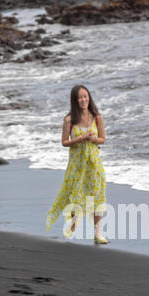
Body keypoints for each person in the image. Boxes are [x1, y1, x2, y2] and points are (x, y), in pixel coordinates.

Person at [46, 85, 109, 244]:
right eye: (80, 97)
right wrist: (80, 139)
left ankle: (98, 233)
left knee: (97, 197)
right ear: (75, 100)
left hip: (94, 164)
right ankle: (73, 223)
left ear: (89, 98)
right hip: (76, 164)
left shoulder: (97, 117)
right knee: (75, 195)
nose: (83, 100)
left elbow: (102, 139)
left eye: (85, 96)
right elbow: (64, 142)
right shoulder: (69, 120)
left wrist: (93, 140)